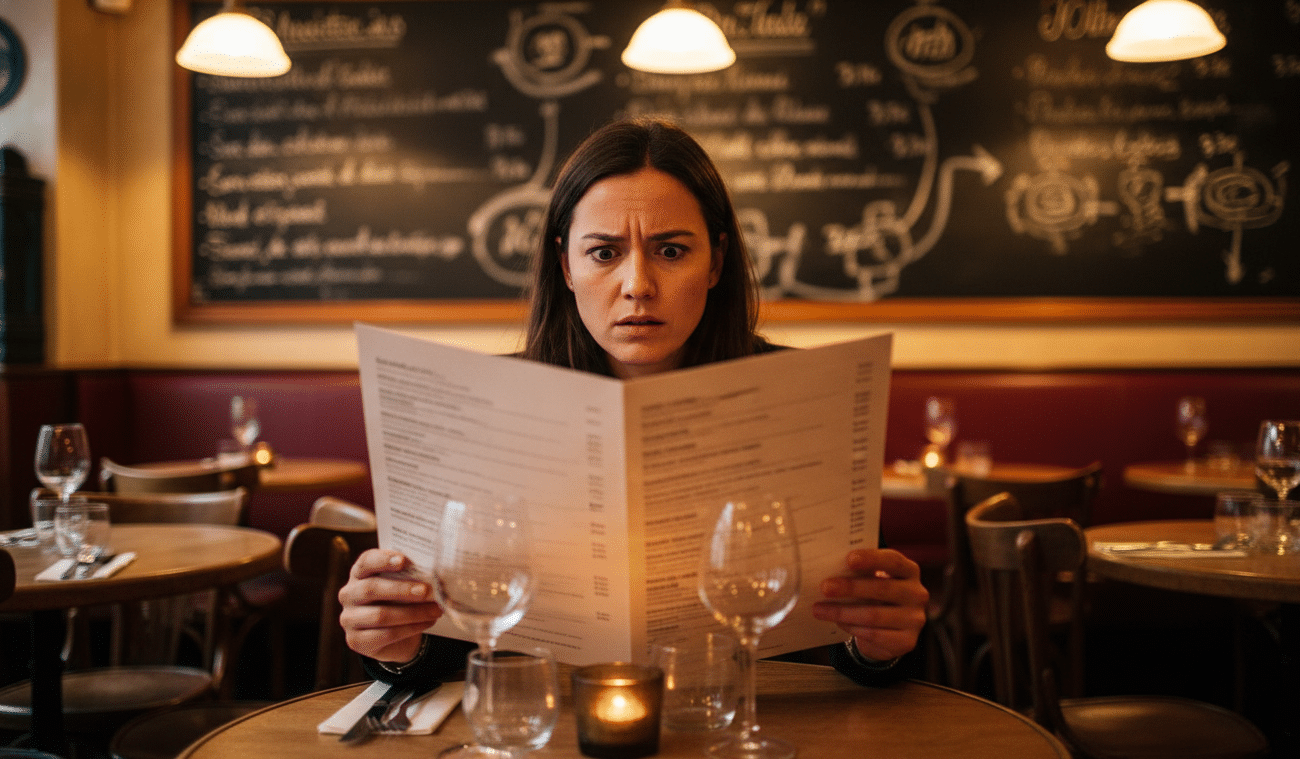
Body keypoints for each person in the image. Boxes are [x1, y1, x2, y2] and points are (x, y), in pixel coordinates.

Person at [338, 117, 929, 686]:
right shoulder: (478, 407)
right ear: (565, 263)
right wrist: (395, 642)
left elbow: (844, 642)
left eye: (671, 251)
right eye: (604, 253)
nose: (638, 284)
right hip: (544, 723)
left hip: (752, 720)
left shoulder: (805, 394)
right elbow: (444, 642)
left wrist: (877, 646)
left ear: (717, 260)